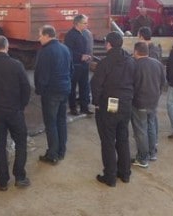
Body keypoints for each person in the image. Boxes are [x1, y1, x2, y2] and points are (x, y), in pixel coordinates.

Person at [0, 35, 32, 191]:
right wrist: (21, 106)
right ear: (7, 47)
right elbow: (26, 88)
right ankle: (20, 177)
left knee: (0, 145)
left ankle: (2, 181)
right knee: (21, 143)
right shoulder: (16, 65)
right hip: (14, 111)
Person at [90, 31, 135, 187]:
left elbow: (95, 85)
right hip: (126, 105)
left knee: (108, 141)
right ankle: (125, 173)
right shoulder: (130, 60)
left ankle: (110, 177)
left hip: (108, 106)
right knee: (123, 139)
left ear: (108, 44)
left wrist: (96, 102)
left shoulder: (105, 62)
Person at [34, 25, 73, 165]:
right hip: (65, 90)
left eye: (40, 35)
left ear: (47, 35)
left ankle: (52, 154)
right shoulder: (65, 48)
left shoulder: (45, 51)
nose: (38, 39)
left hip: (51, 93)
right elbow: (71, 69)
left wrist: (40, 90)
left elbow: (41, 75)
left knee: (51, 124)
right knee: (61, 121)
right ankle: (61, 151)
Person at [130, 41, 166, 168]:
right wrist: (156, 95)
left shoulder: (134, 65)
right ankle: (152, 153)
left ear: (135, 51)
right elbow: (163, 83)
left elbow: (131, 86)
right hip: (153, 102)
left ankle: (142, 158)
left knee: (140, 131)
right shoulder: (157, 64)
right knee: (151, 127)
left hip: (139, 103)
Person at [64, 14, 92, 116]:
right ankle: (73, 108)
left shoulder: (85, 33)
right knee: (72, 88)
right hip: (75, 66)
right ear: (77, 23)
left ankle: (84, 107)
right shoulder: (70, 35)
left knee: (84, 87)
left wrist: (88, 56)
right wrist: (80, 56)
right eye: (85, 23)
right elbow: (68, 51)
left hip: (84, 65)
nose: (87, 25)